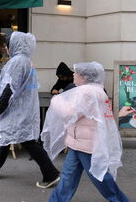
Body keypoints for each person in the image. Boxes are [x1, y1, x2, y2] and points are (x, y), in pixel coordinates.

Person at [0, 31, 60, 189]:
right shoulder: (26, 61)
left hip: (16, 110)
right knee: (9, 134)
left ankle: (51, 173)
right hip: (22, 109)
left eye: (7, 45)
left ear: (14, 46)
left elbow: (10, 88)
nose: (6, 48)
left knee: (26, 141)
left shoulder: (17, 62)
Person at [41, 62, 130, 202]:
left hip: (86, 144)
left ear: (84, 76)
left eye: (76, 73)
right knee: (68, 177)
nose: (73, 75)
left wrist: (56, 100)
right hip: (79, 142)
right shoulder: (96, 90)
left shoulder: (88, 92)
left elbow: (69, 113)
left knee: (100, 179)